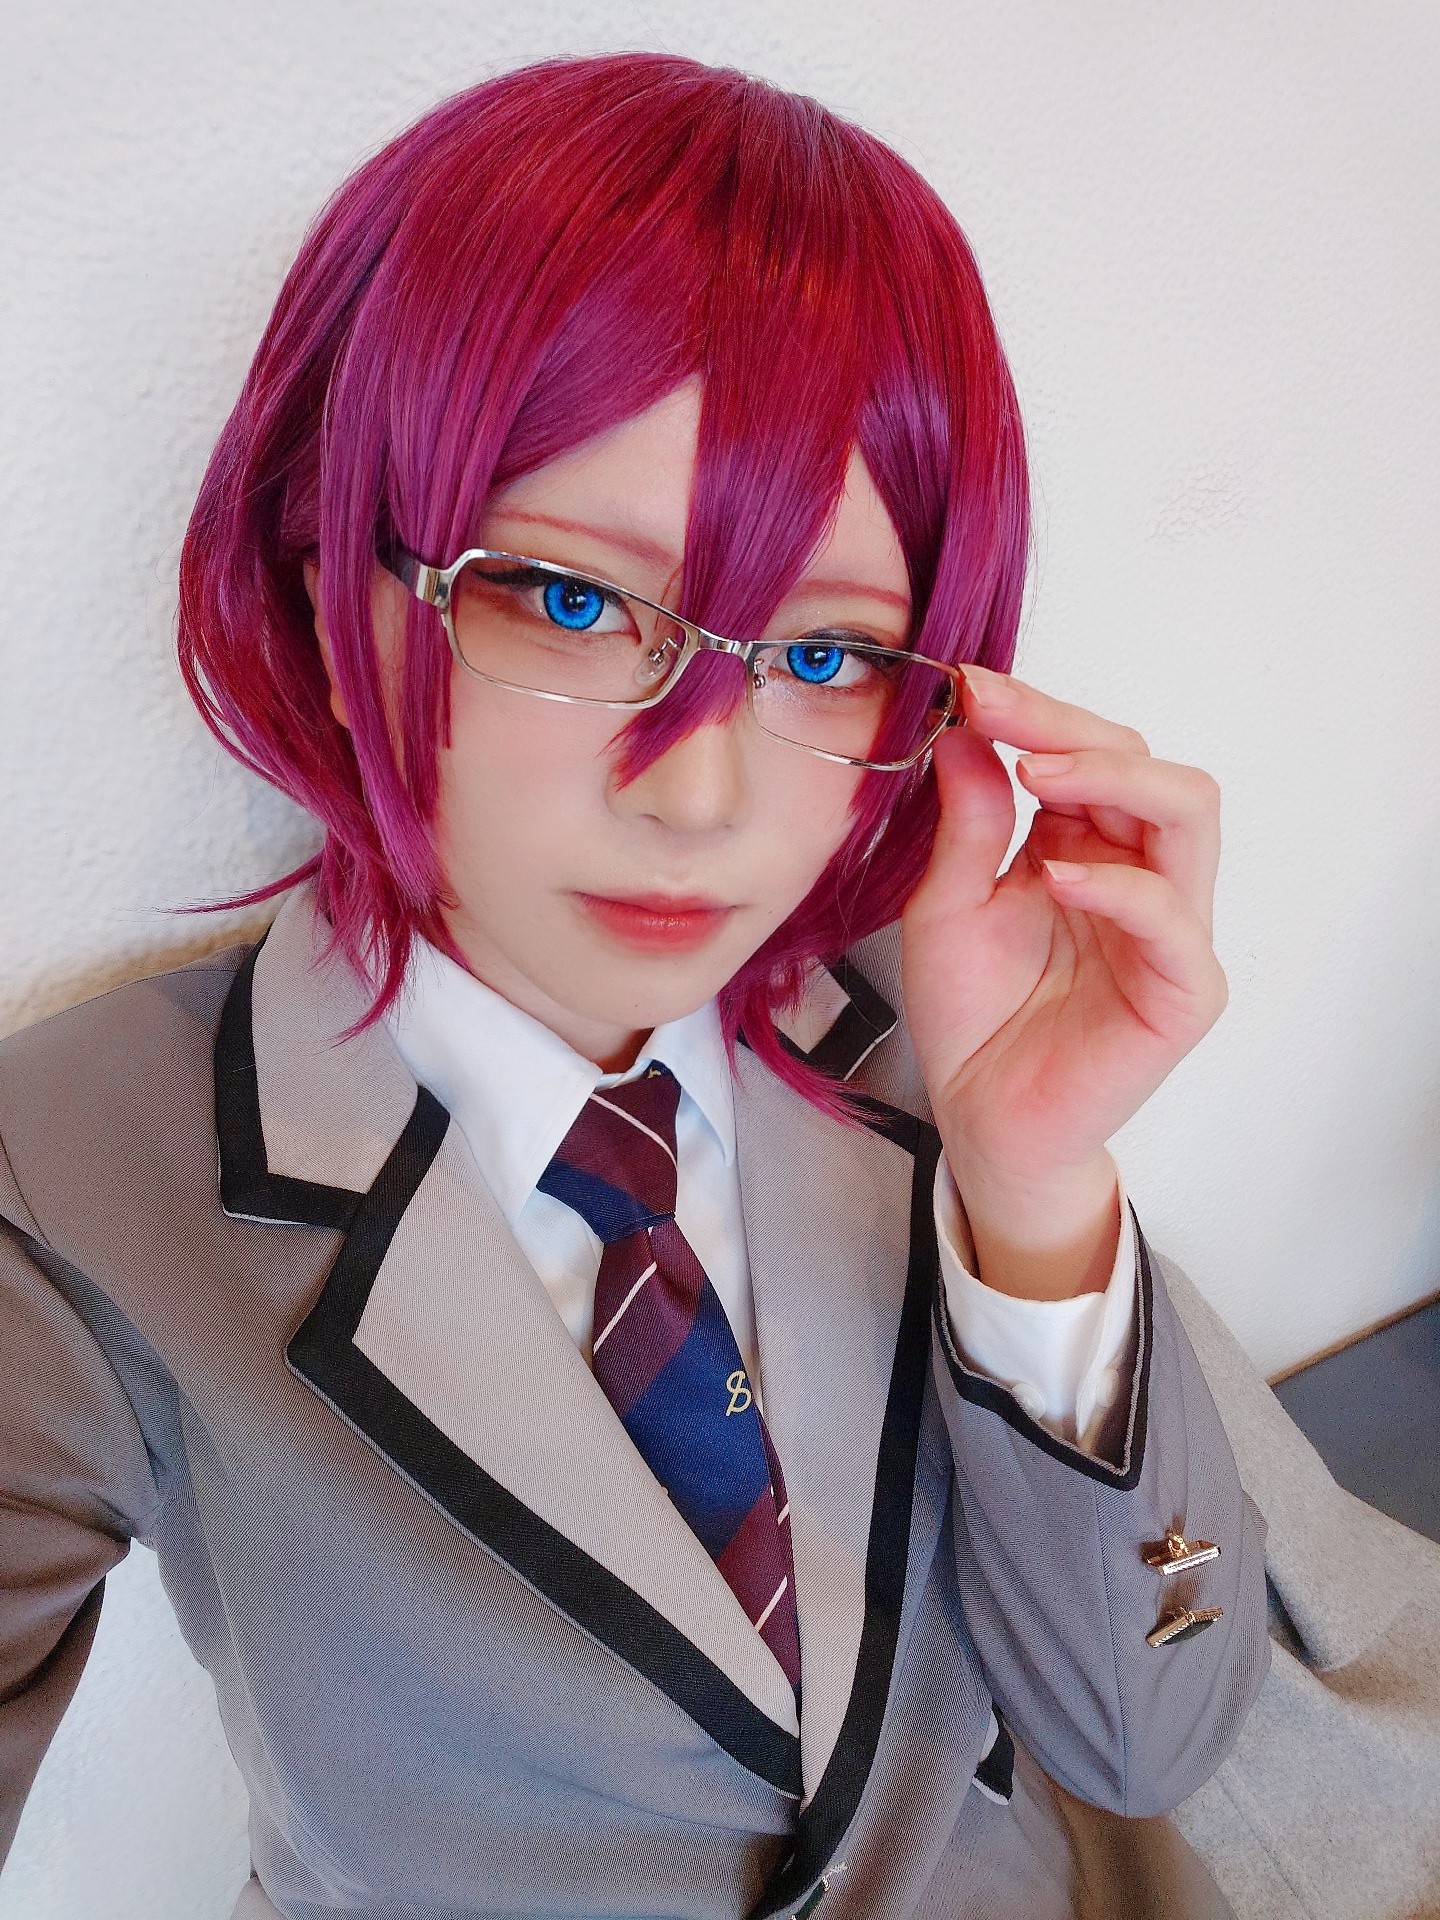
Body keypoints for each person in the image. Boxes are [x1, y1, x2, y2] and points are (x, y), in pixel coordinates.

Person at [0, 49, 1269, 1920]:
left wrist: (1039, 1195)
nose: (699, 796)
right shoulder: (76, 1166)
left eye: (827, 656)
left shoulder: (937, 1027)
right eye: (574, 600)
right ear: (335, 598)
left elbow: (1148, 1746)